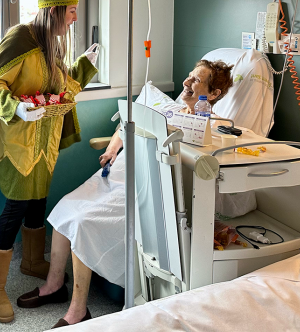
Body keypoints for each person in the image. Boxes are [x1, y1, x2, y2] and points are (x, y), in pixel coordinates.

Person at [20, 59, 234, 328]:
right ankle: (54, 285)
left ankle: (78, 311)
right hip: (118, 174)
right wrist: (112, 150)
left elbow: (204, 167)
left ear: (213, 94)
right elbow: (124, 126)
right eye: (189, 76)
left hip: (147, 185)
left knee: (83, 222)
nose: (187, 82)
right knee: (65, 207)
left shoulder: (212, 128)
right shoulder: (167, 108)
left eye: (197, 80)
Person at [0, 0, 99, 323]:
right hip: (18, 143)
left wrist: (85, 65)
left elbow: (61, 89)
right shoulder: (21, 38)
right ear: (54, 10)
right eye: (71, 11)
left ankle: (32, 261)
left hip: (44, 142)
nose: (74, 18)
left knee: (39, 200)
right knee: (16, 208)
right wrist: (15, 108)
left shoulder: (51, 45)